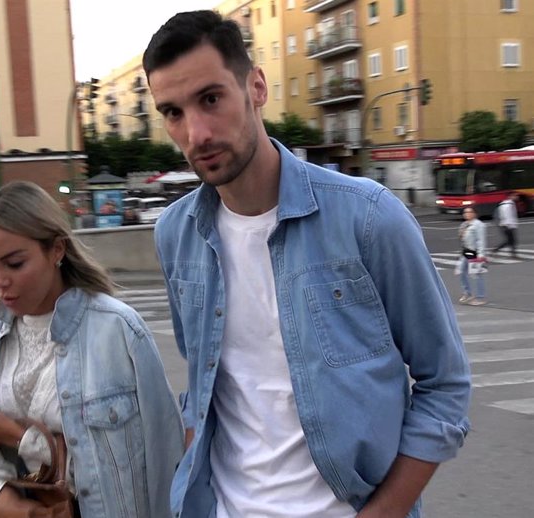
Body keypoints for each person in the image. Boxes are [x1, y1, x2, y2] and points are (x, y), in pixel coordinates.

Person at [143, 10, 471, 518]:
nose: (197, 132)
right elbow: (205, 385)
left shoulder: (368, 217)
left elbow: (444, 384)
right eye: (173, 112)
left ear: (256, 86)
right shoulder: (175, 234)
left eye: (211, 99)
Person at [0, 181, 183, 518]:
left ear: (56, 250)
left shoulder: (118, 331)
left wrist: (15, 435)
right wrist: (1, 496)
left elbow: (159, 461)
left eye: (14, 263)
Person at [458, 206, 487, 306]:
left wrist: (481, 254)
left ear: (475, 213)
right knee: (461, 272)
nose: (467, 214)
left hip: (475, 253)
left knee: (476, 275)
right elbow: (462, 239)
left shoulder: (478, 225)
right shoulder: (464, 224)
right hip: (466, 252)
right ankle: (467, 293)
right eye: (465, 212)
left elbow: (481, 240)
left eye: (469, 212)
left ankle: (480, 297)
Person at [493, 192, 518, 258]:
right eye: (515, 195)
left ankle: (497, 250)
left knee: (510, 240)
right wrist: (511, 225)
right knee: (511, 240)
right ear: (510, 196)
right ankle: (512, 254)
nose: (517, 197)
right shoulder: (509, 204)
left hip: (504, 224)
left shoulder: (504, 203)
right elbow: (508, 215)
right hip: (507, 225)